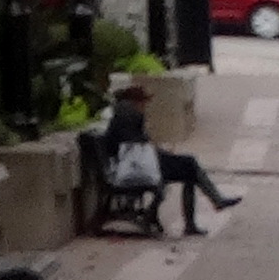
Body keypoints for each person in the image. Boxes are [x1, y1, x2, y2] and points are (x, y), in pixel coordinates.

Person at [98, 81, 240, 233]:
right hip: (138, 167)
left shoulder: (122, 114)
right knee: (190, 164)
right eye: (144, 102)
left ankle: (211, 205)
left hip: (137, 163)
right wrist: (159, 151)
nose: (145, 106)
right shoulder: (130, 115)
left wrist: (159, 150)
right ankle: (207, 209)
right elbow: (137, 146)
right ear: (137, 102)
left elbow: (137, 144)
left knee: (189, 169)